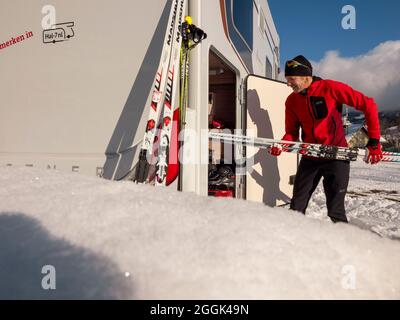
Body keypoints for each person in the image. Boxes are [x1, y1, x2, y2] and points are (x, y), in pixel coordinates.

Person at [268, 55, 383, 223]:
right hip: (310, 156)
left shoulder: (330, 88)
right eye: (287, 79)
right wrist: (282, 145)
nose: (288, 84)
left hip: (336, 156)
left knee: (335, 211)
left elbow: (369, 104)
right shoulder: (291, 101)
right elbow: (291, 133)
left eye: (291, 79)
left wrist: (374, 141)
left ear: (306, 77)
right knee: (296, 207)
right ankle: (292, 243)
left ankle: (343, 246)